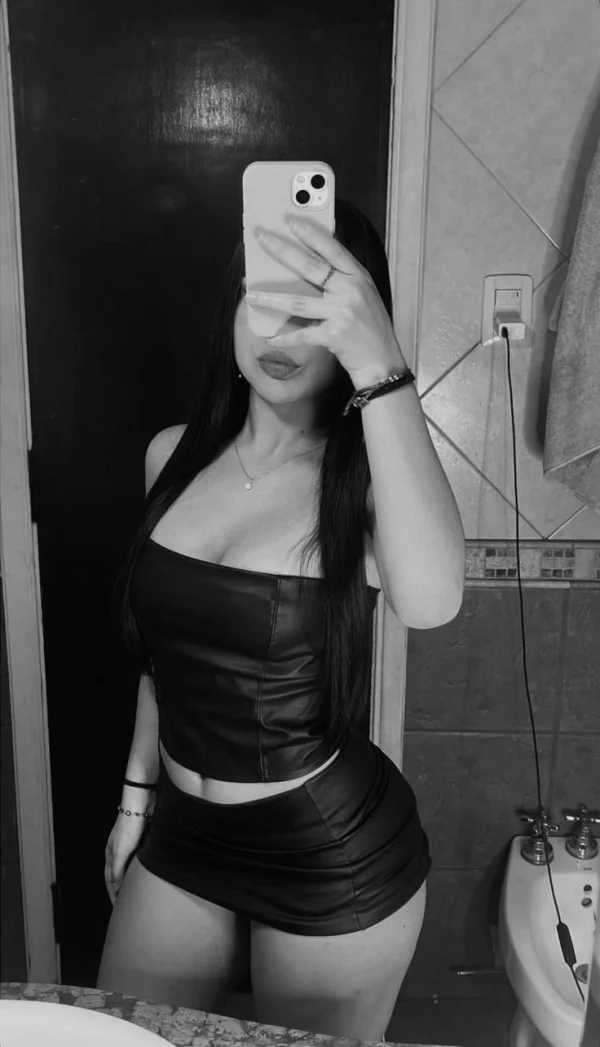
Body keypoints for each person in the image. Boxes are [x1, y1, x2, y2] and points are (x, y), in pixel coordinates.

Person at [96, 197, 465, 1040]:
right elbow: (162, 660)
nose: (281, 333)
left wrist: (380, 359)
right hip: (184, 835)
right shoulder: (171, 454)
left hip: (326, 851)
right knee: (131, 1033)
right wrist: (134, 800)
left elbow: (434, 601)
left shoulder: (366, 482)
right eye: (264, 298)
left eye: (315, 308)